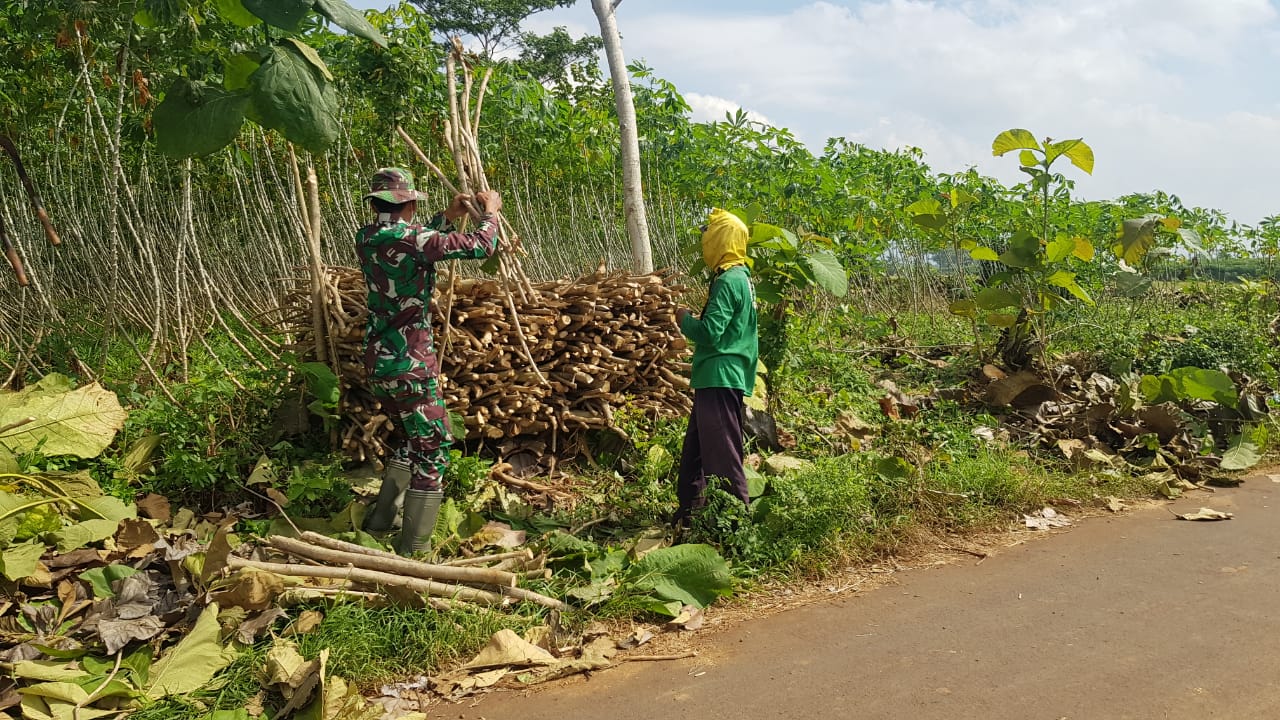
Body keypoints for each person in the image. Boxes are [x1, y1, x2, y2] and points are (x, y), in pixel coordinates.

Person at [355, 167, 503, 555]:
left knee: (412, 439)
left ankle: (380, 523)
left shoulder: (367, 237)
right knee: (434, 446)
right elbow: (480, 247)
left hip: (380, 362)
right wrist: (491, 213)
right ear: (409, 204)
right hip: (411, 364)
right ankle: (415, 550)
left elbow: (417, 244)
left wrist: (448, 217)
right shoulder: (414, 239)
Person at [673, 208, 759, 526]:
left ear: (720, 239)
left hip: (720, 376)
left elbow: (710, 332)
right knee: (695, 453)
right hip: (719, 376)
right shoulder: (742, 279)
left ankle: (736, 525)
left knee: (723, 456)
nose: (705, 241)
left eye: (709, 235)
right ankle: (690, 513)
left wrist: (683, 320)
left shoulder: (728, 281)